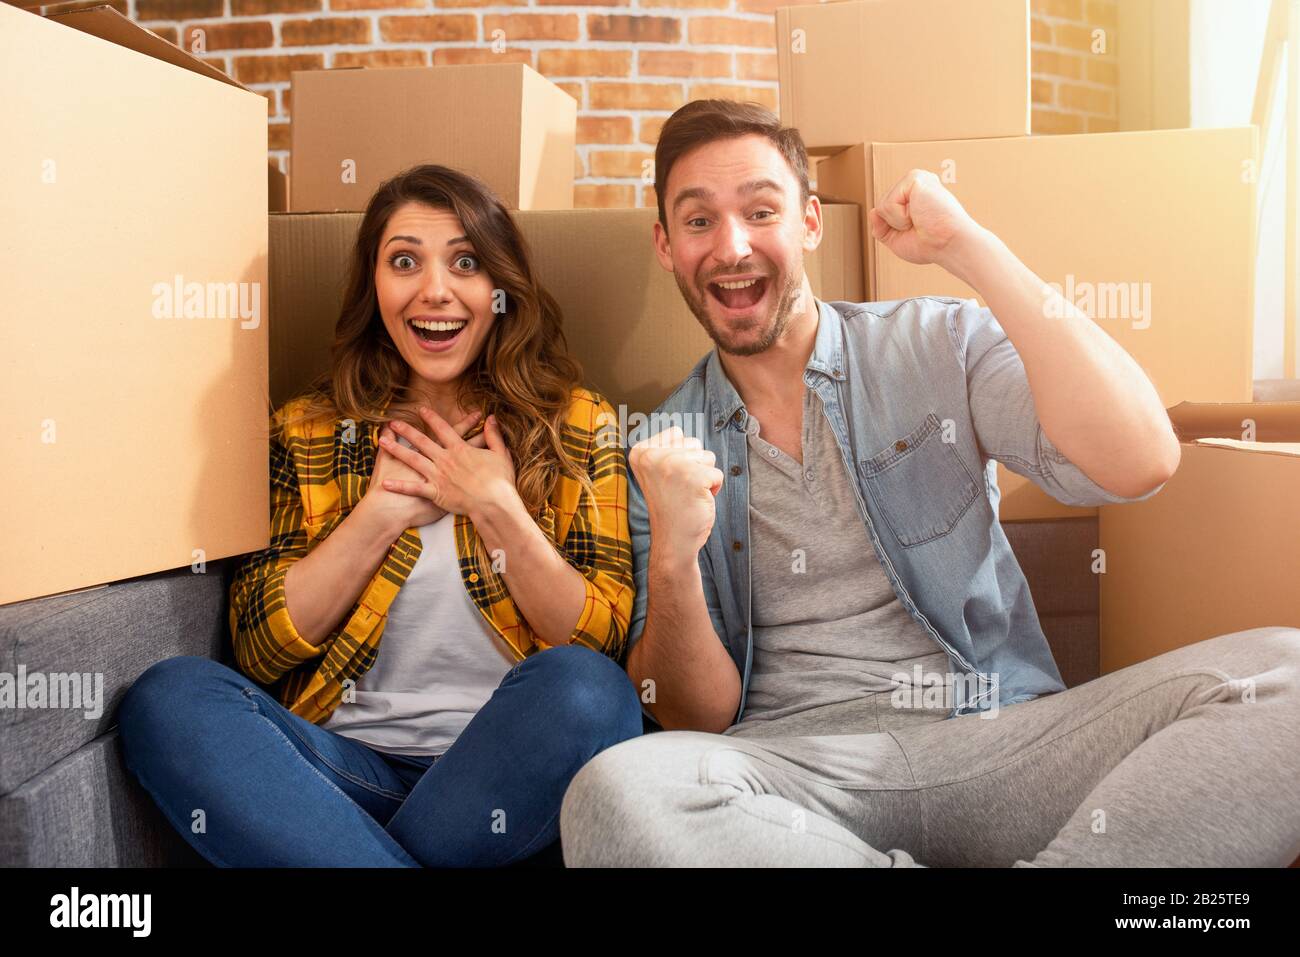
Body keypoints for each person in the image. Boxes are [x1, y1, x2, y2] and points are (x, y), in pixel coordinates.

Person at [558, 99, 1300, 867]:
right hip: (796, 788)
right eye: (699, 221)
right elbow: (692, 715)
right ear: (666, 246)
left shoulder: (936, 342)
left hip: (1000, 743)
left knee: (1290, 675)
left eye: (761, 210)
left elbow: (1141, 456)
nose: (733, 245)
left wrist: (970, 248)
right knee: (613, 789)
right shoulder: (655, 446)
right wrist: (678, 552)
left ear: (810, 223)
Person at [118, 164, 642, 868]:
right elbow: (258, 648)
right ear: (375, 285)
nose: (434, 290)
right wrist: (376, 515)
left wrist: (497, 508)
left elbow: (602, 638)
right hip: (337, 778)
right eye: (404, 261)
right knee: (167, 699)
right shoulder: (306, 429)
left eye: (465, 261)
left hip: (504, 780)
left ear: (499, 289)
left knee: (590, 691)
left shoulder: (578, 423)